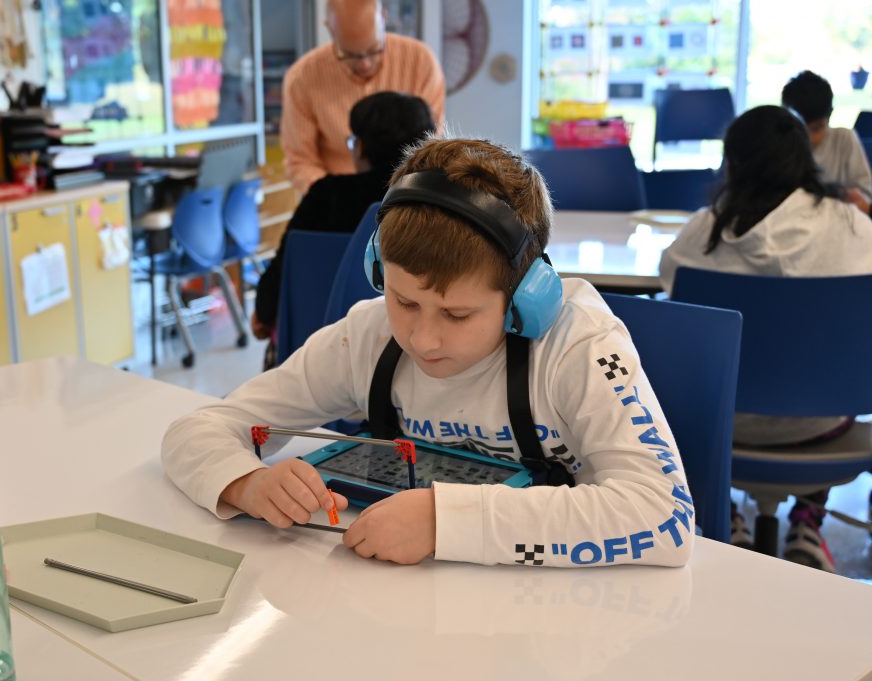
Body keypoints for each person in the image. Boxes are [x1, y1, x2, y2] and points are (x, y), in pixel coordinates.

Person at [162, 136, 694, 569]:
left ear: (527, 297)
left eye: (458, 315)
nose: (422, 340)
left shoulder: (575, 347)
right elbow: (200, 428)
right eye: (403, 301)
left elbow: (664, 516)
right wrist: (246, 482)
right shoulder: (366, 338)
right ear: (377, 269)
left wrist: (446, 522)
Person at [659, 105, 872, 572]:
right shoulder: (855, 226)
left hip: (715, 432)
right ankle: (808, 523)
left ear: (731, 162)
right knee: (822, 368)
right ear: (805, 159)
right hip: (823, 427)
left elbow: (672, 294)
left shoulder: (703, 231)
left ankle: (726, 518)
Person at [251, 91, 435, 349]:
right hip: (406, 344)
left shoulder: (326, 195)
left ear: (361, 147)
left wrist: (263, 310)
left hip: (315, 342)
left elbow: (284, 265)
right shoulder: (435, 202)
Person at [280, 0, 445, 194]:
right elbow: (300, 161)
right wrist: (334, 200)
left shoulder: (420, 62)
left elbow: (429, 145)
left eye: (374, 49)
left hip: (407, 197)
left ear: (383, 17)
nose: (365, 64)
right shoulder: (302, 78)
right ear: (329, 28)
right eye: (350, 54)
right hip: (337, 201)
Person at [781, 70, 872, 211]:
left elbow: (865, 193)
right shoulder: (778, 145)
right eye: (801, 130)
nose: (808, 138)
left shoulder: (843, 139)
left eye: (816, 129)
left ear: (829, 117)